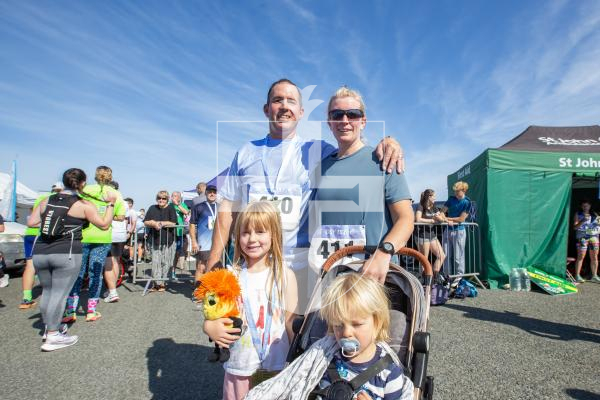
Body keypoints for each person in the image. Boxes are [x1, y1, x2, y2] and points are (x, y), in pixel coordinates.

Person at [207, 78, 404, 313]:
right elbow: (228, 208)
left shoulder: (318, 151)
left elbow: (354, 148)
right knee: (247, 334)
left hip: (300, 267)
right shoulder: (245, 152)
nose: (284, 106)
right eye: (277, 100)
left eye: (291, 101)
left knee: (296, 339)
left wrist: (390, 141)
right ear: (266, 108)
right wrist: (214, 259)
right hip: (254, 262)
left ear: (301, 112)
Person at [244, 273, 413, 400]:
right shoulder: (325, 359)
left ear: (377, 324)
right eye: (338, 325)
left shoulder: (388, 372)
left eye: (356, 324)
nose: (346, 333)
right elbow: (301, 384)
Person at [312, 86, 413, 283]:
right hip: (329, 277)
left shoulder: (384, 160)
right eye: (337, 114)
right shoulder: (320, 167)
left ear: (363, 121)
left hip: (373, 277)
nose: (345, 120)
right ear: (329, 122)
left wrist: (383, 253)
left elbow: (406, 218)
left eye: (353, 114)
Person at [205, 201, 297, 400]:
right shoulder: (228, 277)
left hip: (277, 369)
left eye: (260, 231)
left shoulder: (285, 275)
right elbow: (212, 313)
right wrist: (209, 326)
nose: (252, 239)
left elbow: (291, 321)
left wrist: (300, 354)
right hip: (239, 371)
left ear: (274, 235)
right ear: (237, 237)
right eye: (245, 232)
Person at [28, 168, 116, 351]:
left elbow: (31, 222)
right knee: (59, 293)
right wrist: (110, 205)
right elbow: (104, 224)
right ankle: (53, 336)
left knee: (48, 291)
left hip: (41, 250)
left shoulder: (47, 200)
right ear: (82, 183)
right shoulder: (83, 204)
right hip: (66, 252)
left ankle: (49, 328)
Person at [63, 166, 125, 323]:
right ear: (111, 177)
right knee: (95, 273)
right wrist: (106, 215)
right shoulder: (116, 194)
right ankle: (91, 310)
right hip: (102, 236)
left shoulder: (86, 190)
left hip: (82, 236)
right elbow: (120, 216)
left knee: (77, 272)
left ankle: (71, 310)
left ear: (95, 176)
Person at [19, 183, 63, 309]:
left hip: (30, 234)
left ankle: (26, 298)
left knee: (30, 266)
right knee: (51, 265)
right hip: (44, 235)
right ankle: (50, 297)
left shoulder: (41, 198)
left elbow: (33, 216)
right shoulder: (59, 200)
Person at [144, 190, 177, 291]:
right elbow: (146, 221)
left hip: (168, 240)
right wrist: (153, 223)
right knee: (155, 262)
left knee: (166, 262)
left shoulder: (171, 208)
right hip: (155, 239)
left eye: (163, 198)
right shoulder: (152, 208)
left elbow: (173, 223)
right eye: (159, 198)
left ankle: (162, 282)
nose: (161, 200)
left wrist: (161, 223)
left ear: (167, 200)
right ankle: (156, 283)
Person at [441, 181, 471, 285]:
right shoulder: (451, 199)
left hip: (459, 231)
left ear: (463, 190)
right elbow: (442, 212)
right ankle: (447, 278)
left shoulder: (467, 202)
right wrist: (444, 218)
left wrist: (447, 219)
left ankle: (458, 278)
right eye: (455, 191)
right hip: (447, 231)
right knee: (445, 255)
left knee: (458, 257)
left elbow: (461, 219)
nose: (455, 193)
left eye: (457, 191)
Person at [104, 180, 128, 304]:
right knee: (116, 261)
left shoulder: (110, 198)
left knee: (109, 262)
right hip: (120, 235)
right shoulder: (123, 201)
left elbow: (121, 217)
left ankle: (111, 290)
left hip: (110, 233)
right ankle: (112, 289)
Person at [415, 189, 446, 277]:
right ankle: (424, 281)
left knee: (441, 256)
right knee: (424, 260)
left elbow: (441, 218)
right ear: (429, 197)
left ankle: (434, 277)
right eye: (434, 196)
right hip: (422, 235)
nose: (435, 198)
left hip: (432, 235)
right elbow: (418, 219)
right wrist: (432, 220)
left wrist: (439, 217)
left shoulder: (434, 207)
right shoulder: (421, 206)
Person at [190, 185, 218, 283]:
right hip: (204, 242)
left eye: (214, 192)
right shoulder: (199, 207)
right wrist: (193, 241)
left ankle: (211, 291)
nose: (212, 194)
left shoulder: (220, 207)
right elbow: (192, 224)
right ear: (205, 193)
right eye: (210, 192)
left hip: (217, 243)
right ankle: (198, 292)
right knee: (201, 267)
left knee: (215, 267)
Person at [573, 199, 600, 282]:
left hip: (593, 237)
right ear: (581, 206)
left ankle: (594, 276)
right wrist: (583, 220)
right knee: (581, 256)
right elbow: (575, 227)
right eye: (584, 206)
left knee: (594, 256)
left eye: (587, 205)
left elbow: (598, 224)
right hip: (582, 237)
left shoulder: (595, 214)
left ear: (590, 206)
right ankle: (577, 275)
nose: (585, 207)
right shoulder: (578, 214)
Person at [170, 191, 190, 276]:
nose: (175, 197)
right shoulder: (169, 205)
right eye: (173, 196)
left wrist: (178, 205)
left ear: (179, 197)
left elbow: (186, 212)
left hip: (179, 232)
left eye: (176, 196)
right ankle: (168, 270)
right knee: (169, 252)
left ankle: (173, 270)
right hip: (170, 232)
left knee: (177, 252)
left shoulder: (182, 204)